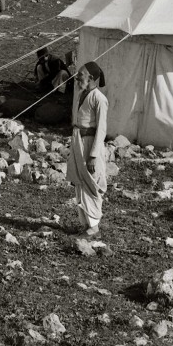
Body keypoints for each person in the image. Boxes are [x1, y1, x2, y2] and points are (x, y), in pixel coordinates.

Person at [66, 61, 108, 237]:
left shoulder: (99, 98)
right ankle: (86, 224)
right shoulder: (82, 94)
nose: (77, 77)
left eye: (81, 74)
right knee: (79, 180)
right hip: (78, 141)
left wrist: (93, 155)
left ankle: (94, 227)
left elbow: (102, 128)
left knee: (91, 181)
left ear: (91, 78)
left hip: (90, 143)